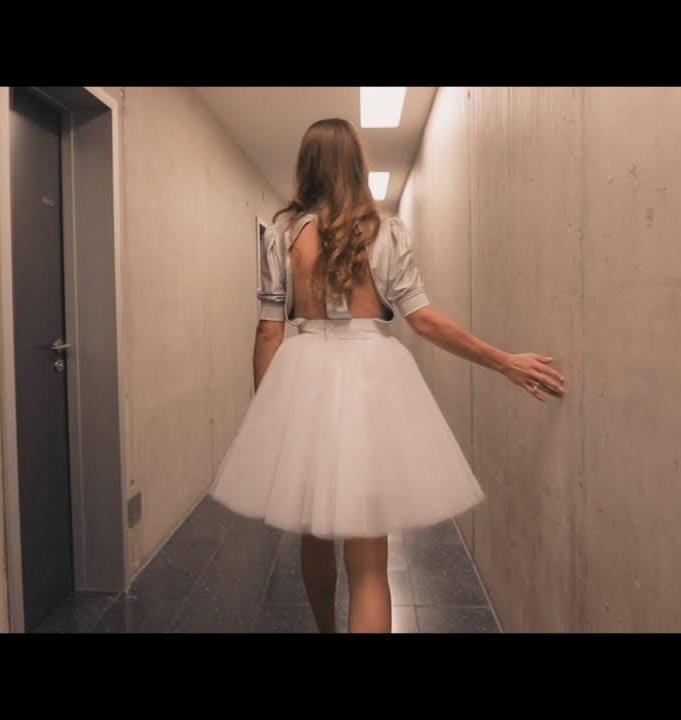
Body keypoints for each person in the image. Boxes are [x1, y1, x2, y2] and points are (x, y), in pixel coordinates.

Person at [208, 117, 565, 633]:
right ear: (357, 165)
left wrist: (268, 418)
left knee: (312, 528)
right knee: (370, 563)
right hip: (372, 380)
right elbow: (425, 320)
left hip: (302, 379)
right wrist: (503, 360)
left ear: (307, 167)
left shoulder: (282, 235)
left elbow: (268, 333)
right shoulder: (386, 232)